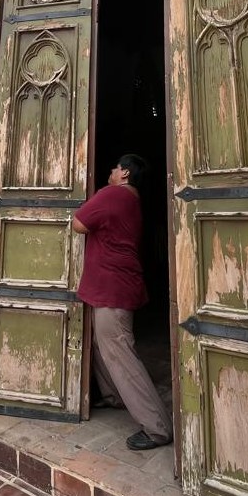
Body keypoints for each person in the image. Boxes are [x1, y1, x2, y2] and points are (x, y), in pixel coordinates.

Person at [72, 154, 173, 451]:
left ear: (125, 173)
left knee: (120, 354)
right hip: (112, 284)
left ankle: (157, 427)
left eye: (115, 167)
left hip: (112, 287)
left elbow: (79, 223)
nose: (111, 171)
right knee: (103, 345)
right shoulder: (131, 199)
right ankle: (114, 396)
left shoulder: (114, 194)